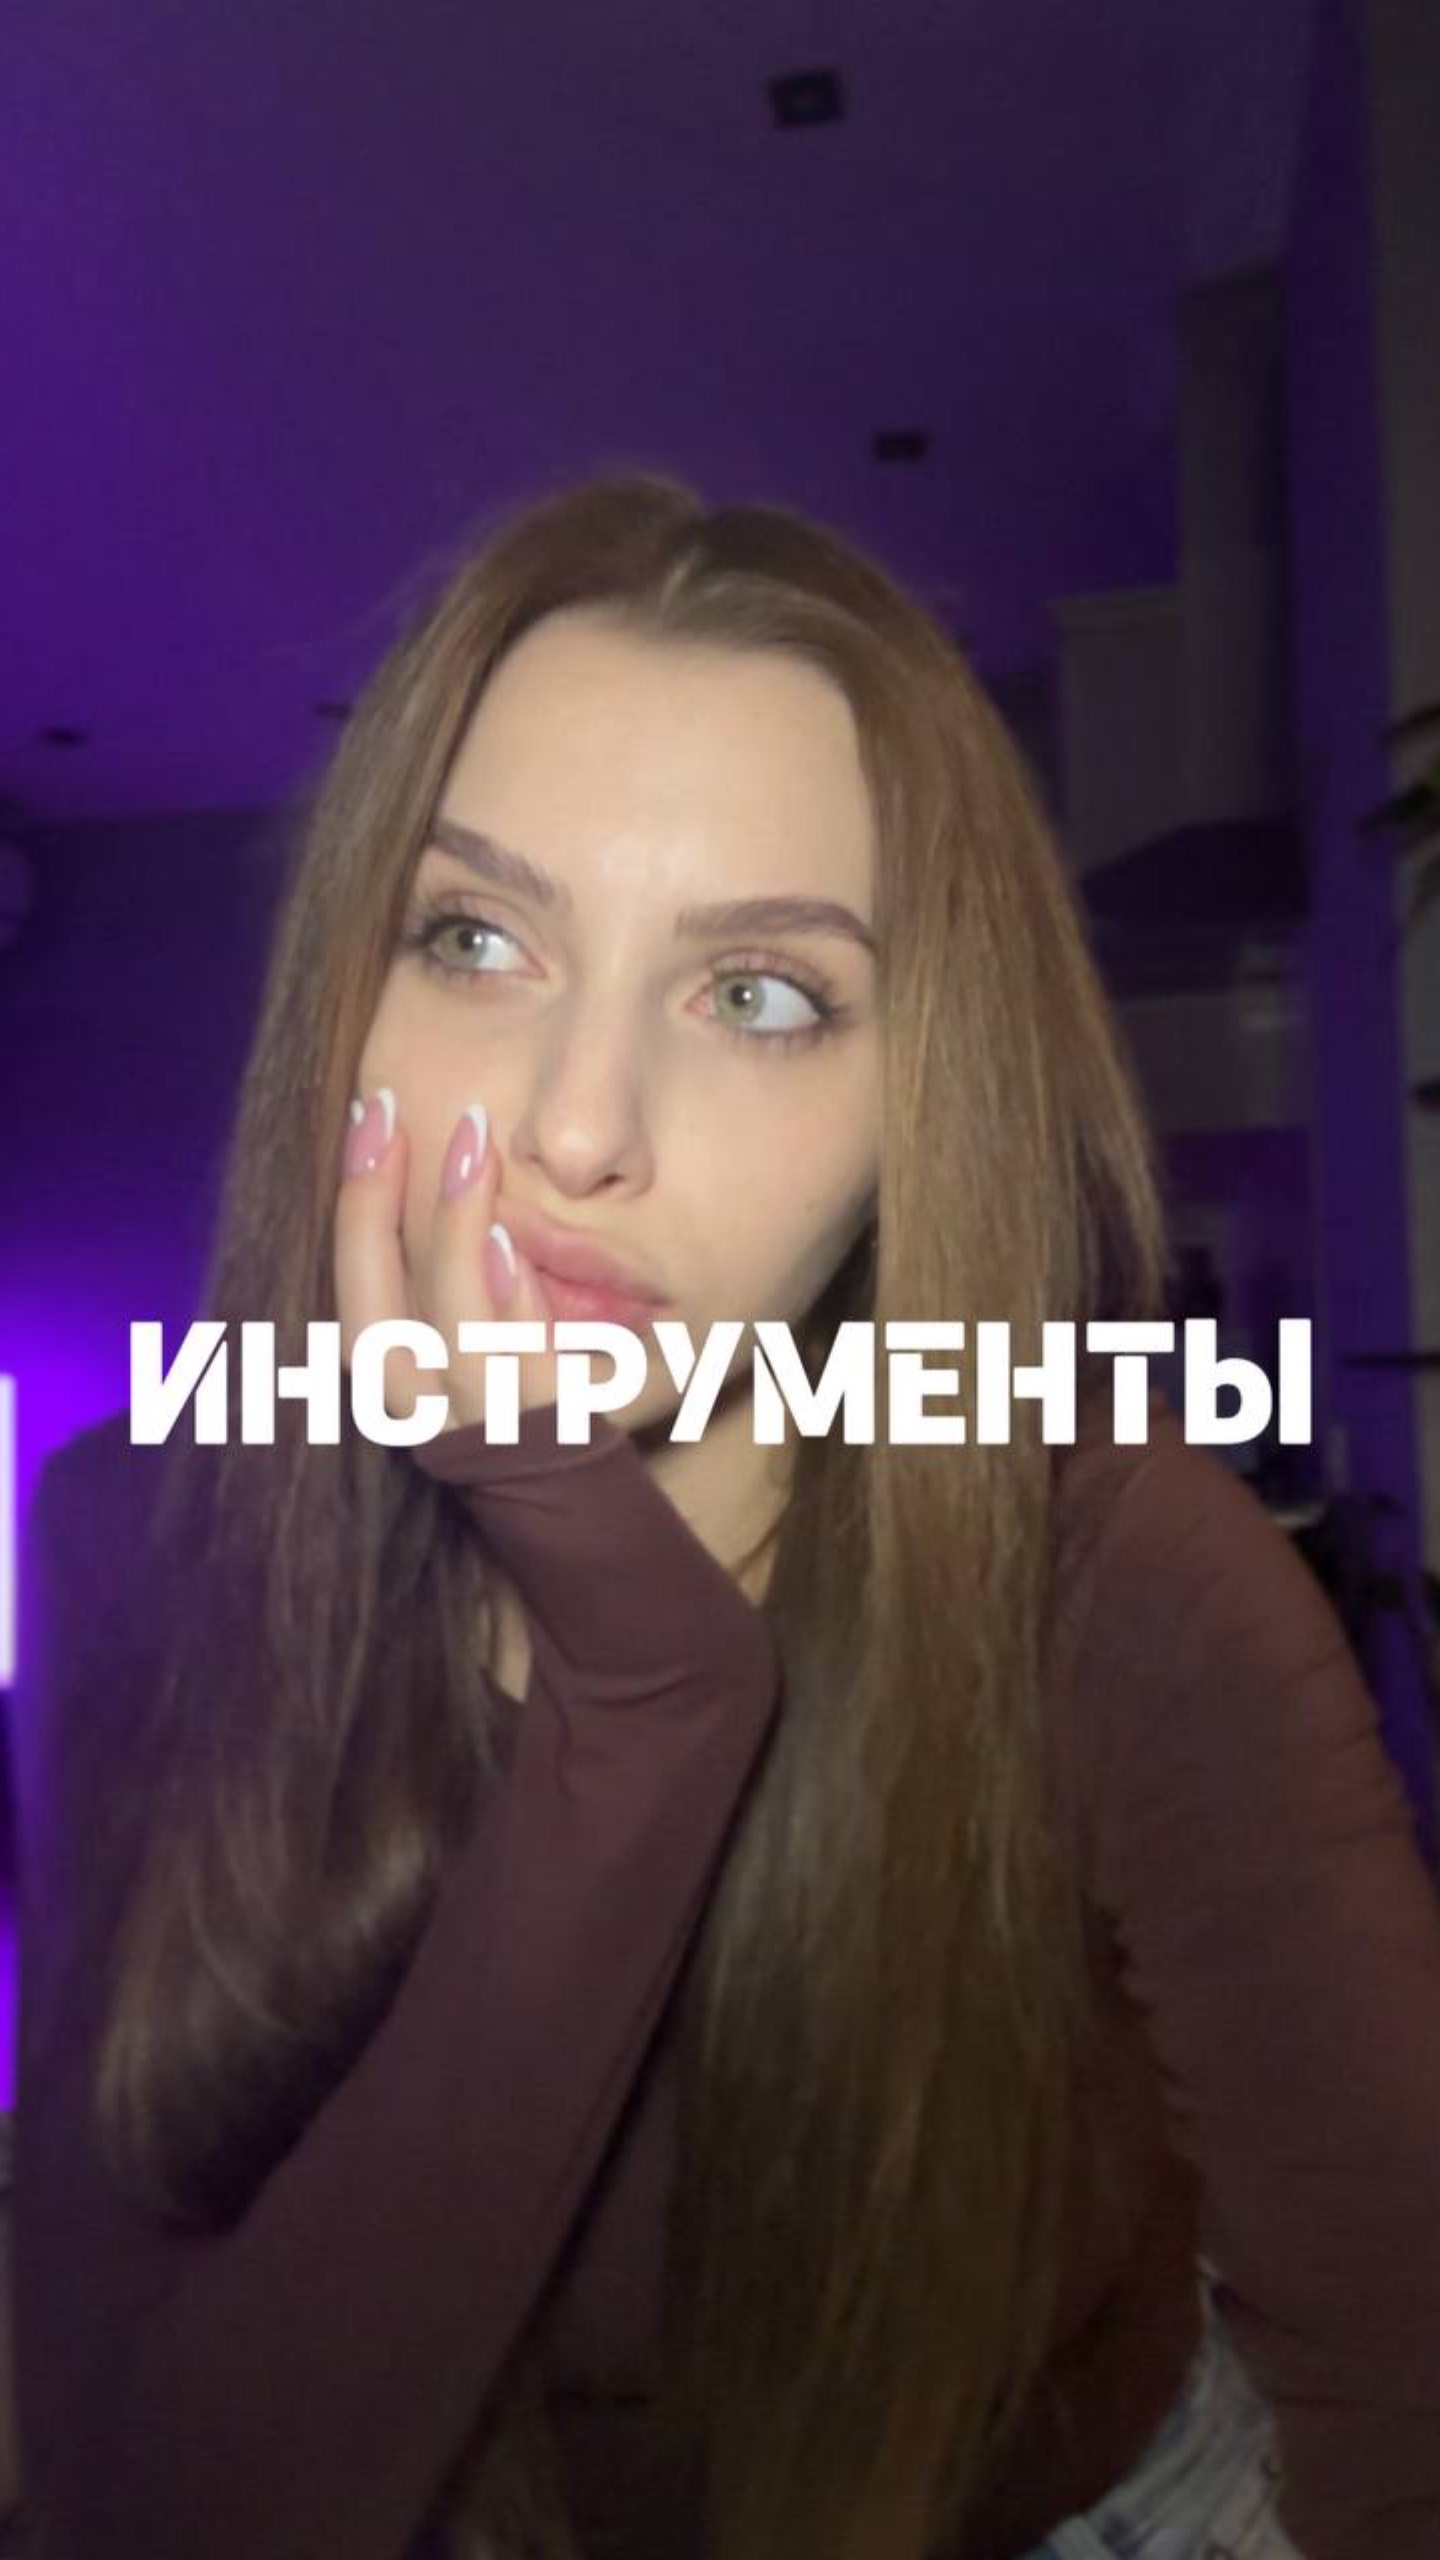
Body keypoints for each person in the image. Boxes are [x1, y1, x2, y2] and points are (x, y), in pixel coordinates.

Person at [11, 471, 1440, 2560]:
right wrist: (643, 1689)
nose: (578, 1125)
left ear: (914, 1110)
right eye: (475, 937)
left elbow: (1404, 2397)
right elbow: (159, 2501)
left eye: (760, 992)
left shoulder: (1110, 1563)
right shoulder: (144, 1533)